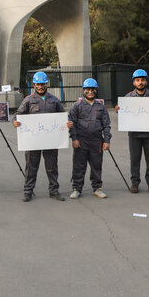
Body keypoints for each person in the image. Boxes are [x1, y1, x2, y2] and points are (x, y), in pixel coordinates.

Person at [13, 71, 72, 202]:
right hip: (33, 141)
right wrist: (15, 122)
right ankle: (28, 191)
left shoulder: (54, 100)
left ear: (46, 84)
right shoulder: (28, 100)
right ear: (34, 85)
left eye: (42, 84)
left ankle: (54, 191)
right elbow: (17, 115)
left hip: (50, 141)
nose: (40, 87)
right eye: (38, 84)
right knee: (31, 166)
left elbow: (63, 117)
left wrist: (67, 123)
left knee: (52, 167)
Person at [114, 69, 149, 194]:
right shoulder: (128, 97)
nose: (140, 82)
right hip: (134, 134)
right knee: (135, 159)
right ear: (133, 82)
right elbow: (125, 114)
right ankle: (135, 183)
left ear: (146, 82)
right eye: (137, 80)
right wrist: (119, 110)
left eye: (142, 80)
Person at [68, 78, 112, 199]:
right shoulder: (76, 106)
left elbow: (106, 125)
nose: (90, 92)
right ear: (84, 90)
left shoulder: (101, 107)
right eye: (87, 89)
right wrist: (74, 139)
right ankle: (77, 189)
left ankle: (97, 188)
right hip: (81, 141)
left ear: (96, 90)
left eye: (93, 89)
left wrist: (107, 140)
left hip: (96, 141)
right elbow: (72, 123)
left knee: (96, 165)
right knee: (79, 166)